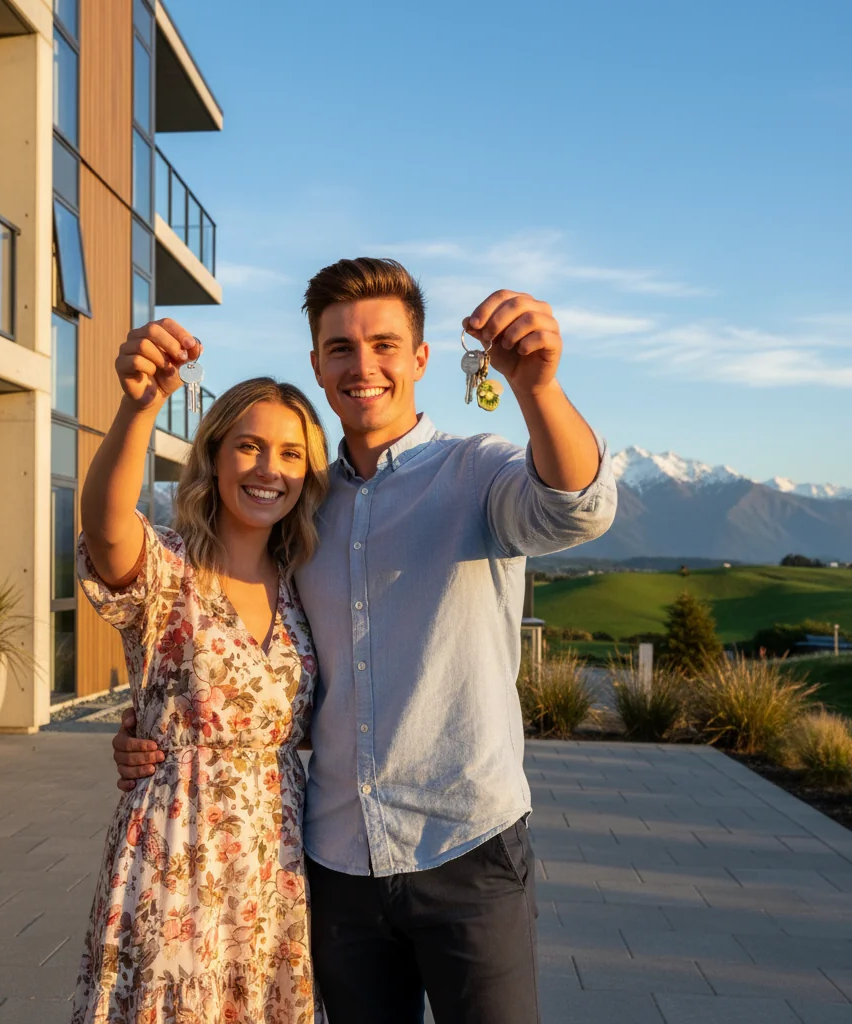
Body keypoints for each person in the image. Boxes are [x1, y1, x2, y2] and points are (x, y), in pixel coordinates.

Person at [113, 258, 618, 1024]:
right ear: (317, 364)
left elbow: (575, 509)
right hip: (334, 857)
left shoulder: (477, 471)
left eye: (384, 345)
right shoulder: (299, 505)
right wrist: (157, 728)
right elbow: (240, 650)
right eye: (340, 348)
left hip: (467, 846)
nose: (363, 365)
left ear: (419, 359)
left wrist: (538, 387)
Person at [71, 320, 330, 1023]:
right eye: (247, 446)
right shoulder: (168, 568)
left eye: (288, 453)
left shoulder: (310, 585)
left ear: (308, 473)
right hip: (173, 851)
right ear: (214, 456)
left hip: (278, 860)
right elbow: (104, 521)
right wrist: (139, 406)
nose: (267, 468)